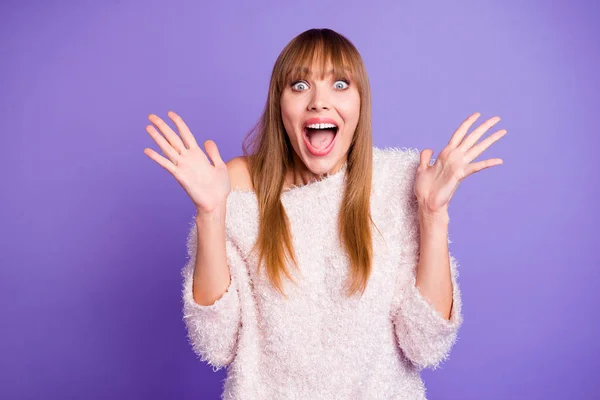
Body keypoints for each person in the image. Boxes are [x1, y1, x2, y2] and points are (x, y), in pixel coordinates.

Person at [144, 28, 506, 399]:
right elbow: (215, 343)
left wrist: (433, 214)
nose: (319, 101)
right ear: (278, 105)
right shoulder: (236, 187)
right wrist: (210, 213)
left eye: (340, 84)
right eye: (299, 85)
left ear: (361, 102)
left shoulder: (399, 184)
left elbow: (426, 345)